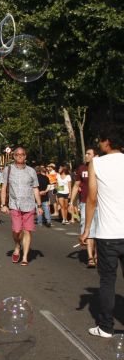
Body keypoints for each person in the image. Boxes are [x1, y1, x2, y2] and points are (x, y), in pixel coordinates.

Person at [80, 126, 124, 338]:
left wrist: (88, 228)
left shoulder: (96, 162)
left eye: (100, 140)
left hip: (108, 233)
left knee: (107, 280)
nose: (98, 144)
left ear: (107, 142)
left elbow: (92, 198)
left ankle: (106, 327)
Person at [0, 147, 43, 265]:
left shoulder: (31, 171)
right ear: (13, 156)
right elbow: (4, 188)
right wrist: (3, 204)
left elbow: (35, 189)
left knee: (28, 231)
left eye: (22, 154)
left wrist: (39, 206)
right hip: (14, 205)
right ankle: (17, 245)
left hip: (29, 205)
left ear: (25, 156)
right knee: (17, 231)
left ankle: (25, 257)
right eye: (17, 154)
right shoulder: (8, 170)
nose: (19, 156)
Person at [71, 148, 98, 267]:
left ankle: (97, 255)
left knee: (99, 231)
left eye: (89, 154)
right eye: (86, 153)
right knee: (88, 230)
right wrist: (71, 202)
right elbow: (76, 185)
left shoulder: (101, 167)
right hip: (85, 203)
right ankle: (90, 257)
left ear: (96, 156)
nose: (86, 155)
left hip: (101, 204)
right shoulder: (81, 168)